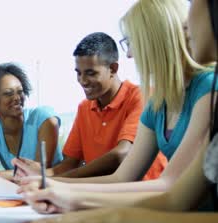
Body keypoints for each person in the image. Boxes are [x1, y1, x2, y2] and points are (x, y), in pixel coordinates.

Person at [18, 0, 218, 223]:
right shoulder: (158, 101)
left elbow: (166, 185)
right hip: (176, 218)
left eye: (130, 43)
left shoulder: (208, 89)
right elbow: (128, 179)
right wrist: (56, 188)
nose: (131, 55)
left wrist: (72, 195)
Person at [14, 32, 167, 181]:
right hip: (101, 194)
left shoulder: (141, 97)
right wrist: (40, 174)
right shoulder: (84, 108)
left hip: (142, 195)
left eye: (91, 73)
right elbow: (68, 166)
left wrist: (55, 181)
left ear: (113, 69)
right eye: (78, 73)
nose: (82, 80)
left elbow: (121, 154)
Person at [0, 63, 63, 182]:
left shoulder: (44, 118)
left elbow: (39, 171)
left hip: (54, 187)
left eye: (20, 92)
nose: (17, 98)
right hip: (20, 192)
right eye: (8, 93)